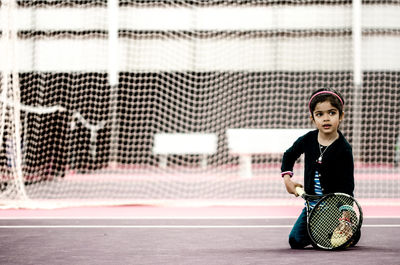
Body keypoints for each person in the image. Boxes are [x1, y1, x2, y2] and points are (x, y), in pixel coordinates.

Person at [280, 88, 360, 249]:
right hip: (312, 206)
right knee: (295, 240)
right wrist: (287, 180)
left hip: (334, 206)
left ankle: (350, 228)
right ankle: (327, 230)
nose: (326, 118)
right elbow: (289, 155)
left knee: (321, 243)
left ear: (341, 116)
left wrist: (345, 212)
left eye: (331, 113)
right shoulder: (308, 139)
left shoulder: (344, 149)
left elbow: (347, 186)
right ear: (313, 118)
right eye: (320, 114)